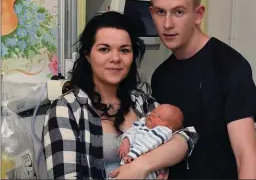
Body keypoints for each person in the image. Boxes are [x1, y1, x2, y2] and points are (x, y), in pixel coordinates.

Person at [42, 11, 198, 179]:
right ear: (88, 55)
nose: (115, 58)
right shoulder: (66, 109)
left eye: (124, 50)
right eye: (104, 49)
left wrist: (141, 167)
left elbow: (186, 137)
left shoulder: (141, 101)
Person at [148, 0, 256, 179]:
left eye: (178, 12)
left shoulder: (229, 65)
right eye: (160, 12)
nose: (167, 24)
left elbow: (246, 157)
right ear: (152, 13)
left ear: (198, 14)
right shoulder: (160, 76)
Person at [117, 104, 186, 179]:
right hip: (128, 164)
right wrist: (126, 140)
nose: (153, 115)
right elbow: (132, 130)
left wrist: (132, 155)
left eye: (160, 117)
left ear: (171, 128)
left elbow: (147, 143)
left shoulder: (163, 131)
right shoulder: (142, 123)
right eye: (153, 112)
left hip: (148, 171)